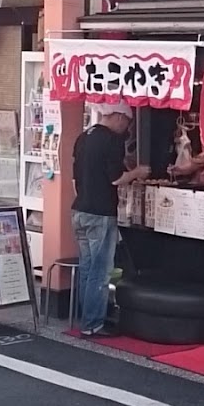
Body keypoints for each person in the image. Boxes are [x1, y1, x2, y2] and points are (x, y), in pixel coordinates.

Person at [72, 101, 150, 337]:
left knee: (86, 266)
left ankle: (83, 318)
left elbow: (75, 179)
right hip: (101, 213)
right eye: (127, 122)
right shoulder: (112, 141)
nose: (127, 128)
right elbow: (116, 179)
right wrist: (138, 172)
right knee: (100, 270)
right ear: (118, 117)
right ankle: (93, 323)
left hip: (79, 210)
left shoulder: (83, 137)